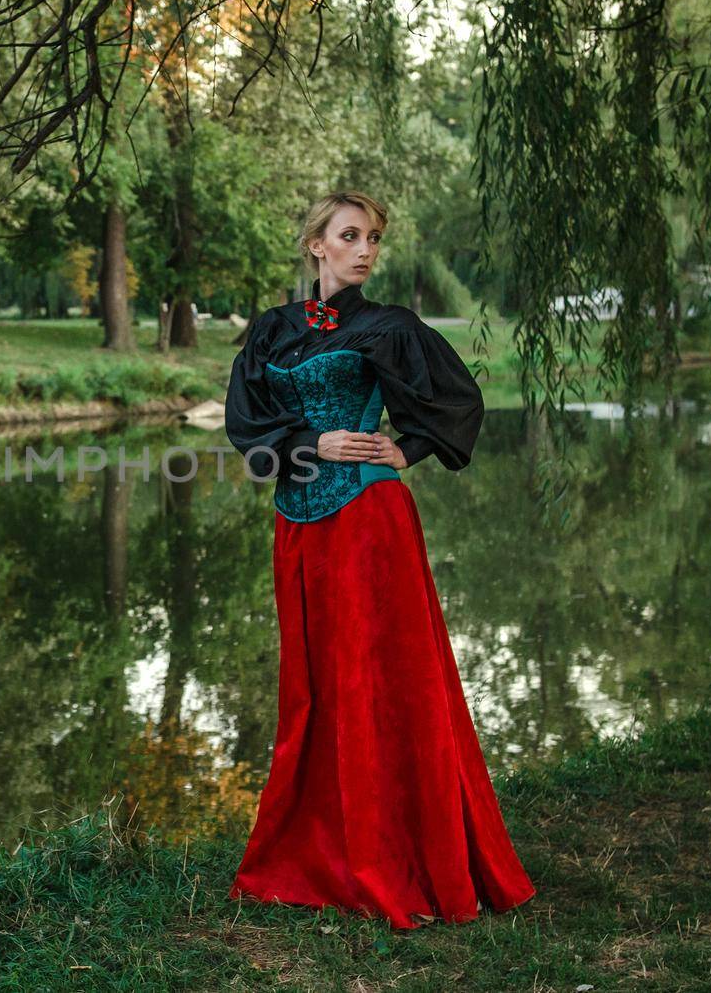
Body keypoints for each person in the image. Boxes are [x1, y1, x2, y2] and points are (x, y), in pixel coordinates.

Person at [223, 190, 536, 929]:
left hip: (370, 520)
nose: (365, 249)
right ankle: (319, 850)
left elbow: (458, 400)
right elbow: (247, 425)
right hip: (300, 525)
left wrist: (410, 446)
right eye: (350, 235)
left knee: (383, 682)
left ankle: (396, 853)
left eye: (373, 238)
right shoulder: (272, 332)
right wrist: (310, 443)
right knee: (316, 687)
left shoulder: (388, 327)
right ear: (316, 246)